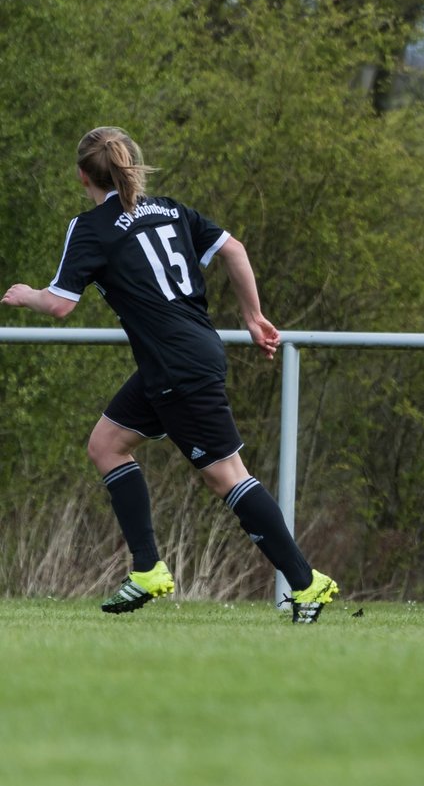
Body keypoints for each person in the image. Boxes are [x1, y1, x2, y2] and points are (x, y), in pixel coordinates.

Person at [2, 126, 338, 623]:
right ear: (131, 165)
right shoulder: (170, 209)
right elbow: (235, 250)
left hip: (177, 366)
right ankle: (147, 569)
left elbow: (58, 305)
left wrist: (24, 292)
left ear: (81, 176)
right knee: (106, 445)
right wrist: (252, 316)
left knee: (226, 476)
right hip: (183, 356)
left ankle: (307, 582)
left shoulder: (91, 227)